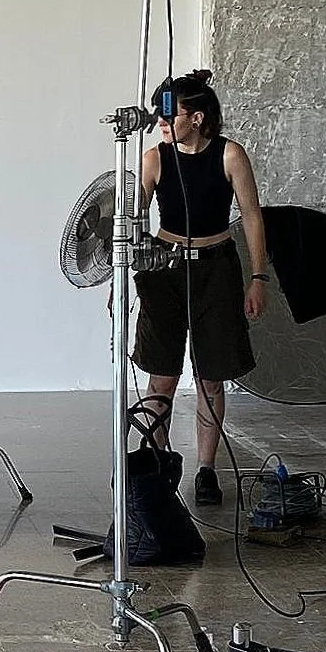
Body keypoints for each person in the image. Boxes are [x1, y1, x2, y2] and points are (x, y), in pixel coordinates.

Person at [133, 70, 268, 506]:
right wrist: (124, 279)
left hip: (217, 271)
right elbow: (132, 223)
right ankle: (156, 461)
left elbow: (251, 215)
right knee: (162, 378)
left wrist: (258, 278)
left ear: (198, 117)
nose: (162, 123)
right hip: (165, 269)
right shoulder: (155, 158)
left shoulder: (230, 156)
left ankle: (206, 469)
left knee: (211, 379)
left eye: (170, 116)